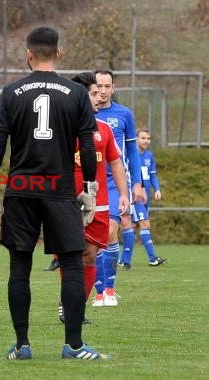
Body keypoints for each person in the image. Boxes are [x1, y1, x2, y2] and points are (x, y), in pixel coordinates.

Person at [0, 26, 110, 360]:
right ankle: (74, 345)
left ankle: (22, 345)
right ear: (59, 53)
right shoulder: (76, 93)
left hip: (22, 189)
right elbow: (86, 143)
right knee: (73, 266)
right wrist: (90, 188)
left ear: (28, 54)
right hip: (60, 189)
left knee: (19, 269)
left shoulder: (11, 91)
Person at [56, 72, 129, 324]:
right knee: (69, 255)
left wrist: (123, 193)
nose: (99, 97)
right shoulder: (61, 128)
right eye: (94, 93)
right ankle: (68, 306)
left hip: (97, 202)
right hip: (65, 202)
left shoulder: (104, 129)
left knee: (90, 254)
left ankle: (75, 306)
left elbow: (116, 163)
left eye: (101, 92)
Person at [92, 69, 146, 307]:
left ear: (113, 88)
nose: (102, 91)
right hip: (88, 183)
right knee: (90, 240)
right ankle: (99, 291)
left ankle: (110, 288)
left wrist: (137, 183)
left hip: (114, 182)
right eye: (98, 86)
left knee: (111, 230)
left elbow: (132, 152)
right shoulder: (81, 114)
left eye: (107, 86)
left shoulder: (123, 114)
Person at [120, 129, 167, 267]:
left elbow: (152, 175)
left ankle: (123, 260)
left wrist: (157, 189)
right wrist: (139, 189)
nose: (146, 141)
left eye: (148, 138)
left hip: (145, 197)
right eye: (143, 138)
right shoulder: (130, 154)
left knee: (132, 227)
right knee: (145, 223)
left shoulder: (149, 156)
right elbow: (128, 173)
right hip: (135, 196)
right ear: (136, 139)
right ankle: (152, 258)